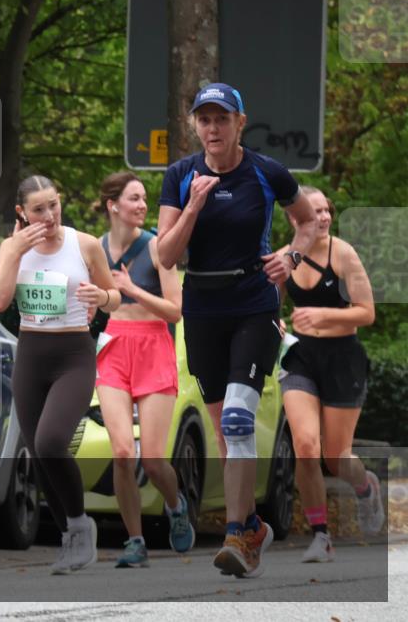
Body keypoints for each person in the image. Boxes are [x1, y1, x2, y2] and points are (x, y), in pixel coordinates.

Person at [156, 83, 317, 579]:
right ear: (195, 126)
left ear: (239, 123)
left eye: (221, 119)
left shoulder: (266, 172)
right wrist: (194, 208)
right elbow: (164, 255)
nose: (212, 129)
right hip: (202, 309)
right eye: (204, 120)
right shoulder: (181, 175)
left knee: (239, 422)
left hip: (253, 304)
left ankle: (235, 537)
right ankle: (252, 526)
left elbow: (306, 223)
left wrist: (290, 257)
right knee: (226, 434)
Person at [0, 174, 120, 575]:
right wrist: (12, 253)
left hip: (73, 356)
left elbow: (114, 296)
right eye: (39, 209)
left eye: (54, 205)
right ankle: (70, 538)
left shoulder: (84, 244)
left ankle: (80, 525)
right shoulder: (13, 248)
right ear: (22, 214)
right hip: (31, 355)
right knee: (38, 453)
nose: (49, 215)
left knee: (50, 441)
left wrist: (102, 297)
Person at [276, 186, 385, 563]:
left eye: (326, 211)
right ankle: (320, 535)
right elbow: (268, 307)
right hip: (301, 358)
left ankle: (364, 486)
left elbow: (366, 312)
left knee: (336, 457)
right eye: (314, 211)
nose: (322, 217)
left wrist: (324, 316)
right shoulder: (284, 259)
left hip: (343, 358)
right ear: (295, 218)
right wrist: (272, 325)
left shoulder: (343, 254)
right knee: (305, 447)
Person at [94, 171, 195, 568]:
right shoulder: (95, 249)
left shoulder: (157, 248)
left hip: (154, 346)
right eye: (134, 199)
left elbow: (175, 309)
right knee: (122, 452)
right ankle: (134, 540)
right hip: (114, 347)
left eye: (144, 199)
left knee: (152, 460)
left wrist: (132, 290)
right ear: (112, 205)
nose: (142, 206)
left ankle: (176, 505)